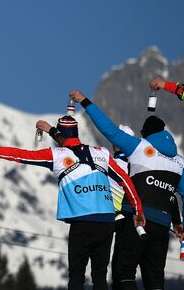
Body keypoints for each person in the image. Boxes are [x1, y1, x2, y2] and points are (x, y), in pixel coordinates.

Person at [0, 115, 145, 290]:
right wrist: (138, 210)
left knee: (76, 276)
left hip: (82, 221)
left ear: (61, 135)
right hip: (106, 221)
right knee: (100, 276)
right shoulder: (101, 153)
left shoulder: (56, 155)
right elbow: (125, 180)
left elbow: (19, 155)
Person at [70, 90, 184, 290]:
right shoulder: (179, 162)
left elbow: (110, 131)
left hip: (137, 220)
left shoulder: (140, 146)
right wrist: (181, 224)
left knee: (123, 274)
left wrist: (85, 102)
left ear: (146, 134)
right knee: (155, 281)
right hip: (162, 227)